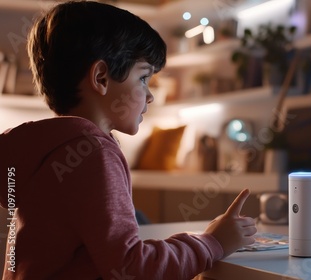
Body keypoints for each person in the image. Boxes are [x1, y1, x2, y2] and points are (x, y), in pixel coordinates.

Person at [0, 1, 257, 279]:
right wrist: (212, 243)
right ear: (101, 77)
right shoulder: (93, 153)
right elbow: (133, 268)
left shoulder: (46, 148)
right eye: (144, 77)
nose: (150, 95)